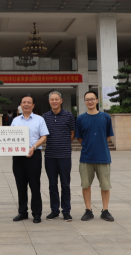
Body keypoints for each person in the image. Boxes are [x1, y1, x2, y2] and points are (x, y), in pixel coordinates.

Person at [75, 90, 115, 222]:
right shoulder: (80, 119)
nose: (90, 101)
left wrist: (99, 144)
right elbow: (79, 137)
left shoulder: (105, 117)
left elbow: (108, 136)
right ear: (84, 102)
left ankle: (105, 210)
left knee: (105, 185)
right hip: (86, 157)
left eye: (92, 99)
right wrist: (89, 145)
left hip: (103, 156)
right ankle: (88, 210)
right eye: (87, 99)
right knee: (86, 185)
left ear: (97, 100)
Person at [11, 94, 49, 223]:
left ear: (33, 105)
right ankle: (22, 212)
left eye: (29, 102)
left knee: (34, 185)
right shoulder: (15, 120)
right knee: (20, 186)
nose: (26, 104)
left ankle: (37, 213)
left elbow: (44, 136)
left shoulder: (39, 119)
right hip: (18, 157)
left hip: (34, 155)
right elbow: (10, 137)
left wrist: (33, 147)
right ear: (20, 105)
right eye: (24, 102)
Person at [42, 91, 75, 222]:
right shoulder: (44, 117)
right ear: (49, 102)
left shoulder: (69, 115)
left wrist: (63, 144)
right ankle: (54, 210)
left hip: (64, 155)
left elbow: (72, 133)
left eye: (56, 99)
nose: (54, 101)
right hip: (49, 155)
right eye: (52, 99)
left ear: (61, 101)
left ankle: (66, 211)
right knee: (52, 184)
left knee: (65, 184)